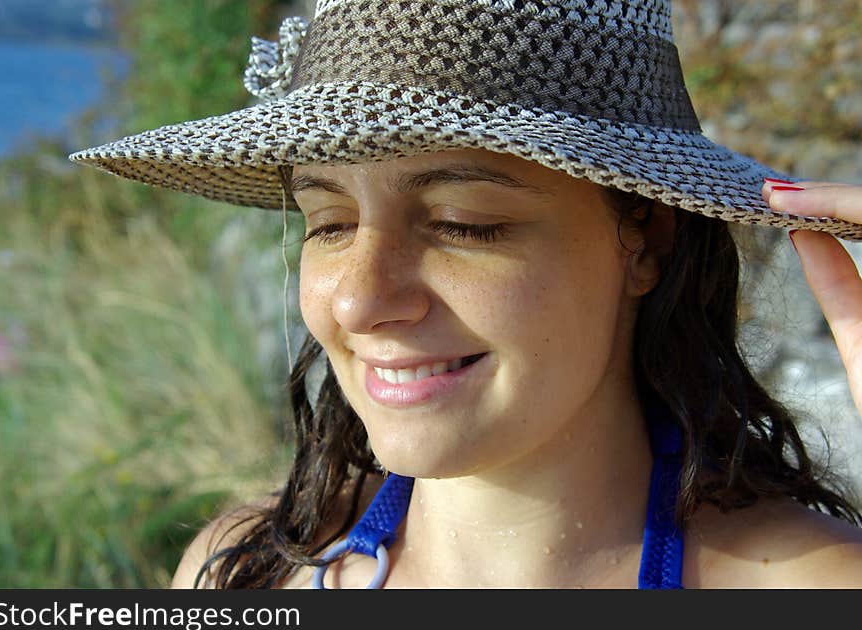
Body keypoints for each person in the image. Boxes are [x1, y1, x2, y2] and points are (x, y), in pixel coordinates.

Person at [70, 0, 862, 588]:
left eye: (460, 222)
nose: (357, 301)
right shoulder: (243, 576)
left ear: (646, 239)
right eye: (330, 222)